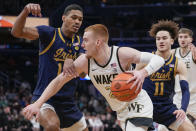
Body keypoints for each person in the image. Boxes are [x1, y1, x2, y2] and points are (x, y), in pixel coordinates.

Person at [22, 24, 165, 131]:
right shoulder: (84, 62)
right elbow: (58, 81)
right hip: (120, 111)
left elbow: (158, 60)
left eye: (85, 40)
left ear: (98, 42)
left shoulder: (121, 54)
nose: (82, 44)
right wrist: (37, 104)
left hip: (138, 102)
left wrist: (142, 73)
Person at [11, 3, 88, 131]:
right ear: (63, 18)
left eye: (80, 19)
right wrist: (25, 11)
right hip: (45, 98)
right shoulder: (49, 33)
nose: (77, 22)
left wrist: (73, 62)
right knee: (52, 126)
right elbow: (16, 32)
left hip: (68, 103)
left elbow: (83, 74)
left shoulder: (80, 42)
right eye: (73, 17)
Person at [136, 20, 195, 131]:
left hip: (166, 107)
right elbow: (133, 83)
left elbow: (185, 90)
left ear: (172, 41)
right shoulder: (145, 60)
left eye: (164, 38)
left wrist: (182, 109)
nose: (161, 41)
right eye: (158, 39)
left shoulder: (178, 63)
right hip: (145, 106)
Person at [173, 28, 196, 121]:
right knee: (163, 127)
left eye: (185, 37)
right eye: (180, 37)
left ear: (191, 39)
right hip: (179, 97)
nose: (182, 39)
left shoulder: (194, 52)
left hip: (194, 96)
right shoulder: (172, 53)